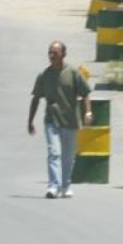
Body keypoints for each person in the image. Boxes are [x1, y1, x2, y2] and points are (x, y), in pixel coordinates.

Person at [28, 40, 92, 199]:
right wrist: (30, 120)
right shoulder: (44, 75)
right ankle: (53, 186)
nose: (51, 56)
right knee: (54, 152)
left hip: (70, 121)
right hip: (51, 120)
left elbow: (85, 93)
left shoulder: (73, 73)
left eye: (55, 53)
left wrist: (88, 112)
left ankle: (66, 185)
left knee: (68, 156)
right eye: (50, 52)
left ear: (63, 54)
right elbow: (36, 98)